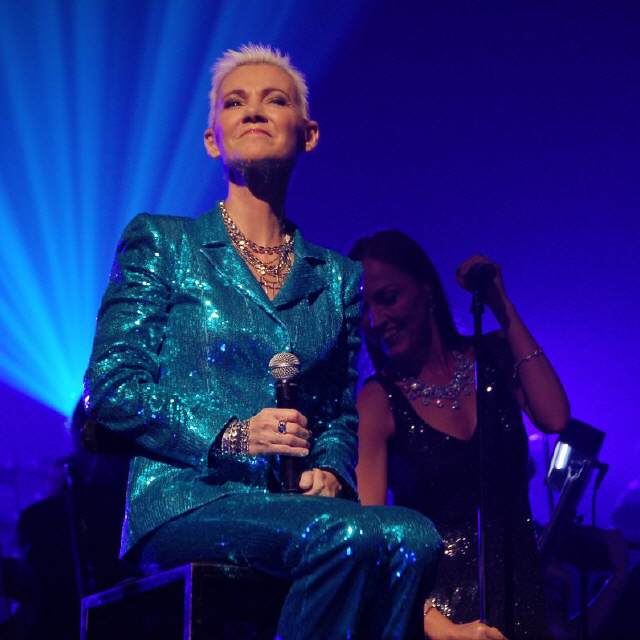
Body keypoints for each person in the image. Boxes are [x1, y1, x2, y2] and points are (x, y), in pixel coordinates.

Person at [83, 45, 442, 639]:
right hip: (186, 499)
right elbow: (111, 386)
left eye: (274, 100)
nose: (253, 111)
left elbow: (335, 414)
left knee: (415, 535)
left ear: (308, 134)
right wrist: (233, 434)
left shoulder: (337, 278)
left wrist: (329, 469)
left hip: (293, 507)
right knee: (348, 533)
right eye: (234, 103)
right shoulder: (164, 243)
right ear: (212, 140)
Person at [350, 230, 570, 640]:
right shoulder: (378, 401)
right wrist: (439, 626)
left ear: (426, 289)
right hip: (440, 618)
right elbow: (371, 539)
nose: (376, 321)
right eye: (364, 310)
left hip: (521, 593)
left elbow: (555, 416)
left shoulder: (494, 357)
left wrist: (500, 304)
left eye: (388, 298)